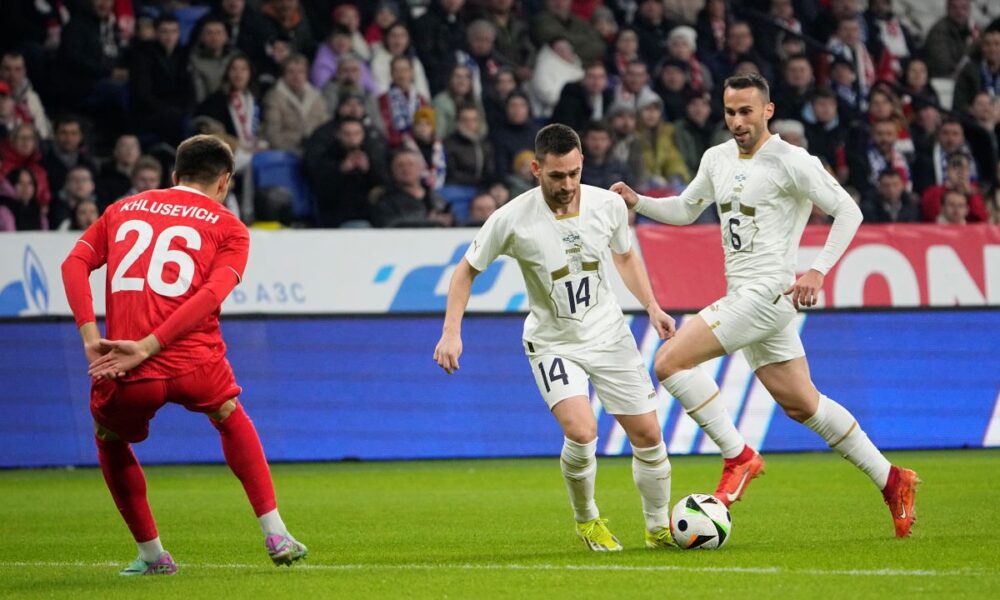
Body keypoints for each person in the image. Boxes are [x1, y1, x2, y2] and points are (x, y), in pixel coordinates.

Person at [610, 73, 919, 538]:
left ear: (767, 111)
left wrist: (816, 270)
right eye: (730, 112)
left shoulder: (792, 161)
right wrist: (640, 202)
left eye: (746, 111)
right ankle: (892, 479)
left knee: (669, 361)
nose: (737, 121)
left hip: (767, 293)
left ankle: (738, 456)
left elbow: (848, 210)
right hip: (746, 296)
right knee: (801, 403)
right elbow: (687, 208)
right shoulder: (716, 157)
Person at [60, 135, 308, 576]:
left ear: (174, 175)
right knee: (229, 413)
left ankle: (154, 556)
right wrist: (153, 345)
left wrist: (88, 336)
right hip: (197, 361)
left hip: (125, 366)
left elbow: (73, 264)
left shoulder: (123, 209)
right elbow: (214, 293)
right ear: (224, 182)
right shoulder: (229, 226)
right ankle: (276, 532)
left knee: (109, 436)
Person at [434, 123, 678, 552]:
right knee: (582, 431)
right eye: (556, 176)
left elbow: (624, 256)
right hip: (553, 341)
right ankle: (588, 521)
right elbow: (465, 271)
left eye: (573, 174)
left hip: (608, 333)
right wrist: (451, 332)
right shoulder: (511, 219)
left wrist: (653, 306)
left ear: (582, 164)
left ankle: (657, 528)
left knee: (648, 436)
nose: (567, 185)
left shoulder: (608, 206)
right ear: (535, 169)